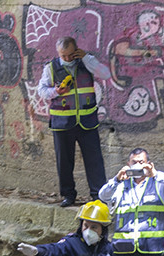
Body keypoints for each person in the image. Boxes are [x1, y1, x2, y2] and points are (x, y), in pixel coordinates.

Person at [37, 36, 110, 207]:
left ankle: (98, 197)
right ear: (58, 53)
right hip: (62, 123)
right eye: (64, 56)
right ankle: (68, 195)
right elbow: (42, 90)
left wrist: (85, 57)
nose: (68, 59)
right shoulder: (50, 67)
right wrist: (56, 91)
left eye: (71, 55)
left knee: (95, 161)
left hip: (87, 121)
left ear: (76, 50)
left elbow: (105, 73)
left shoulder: (86, 62)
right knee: (64, 161)